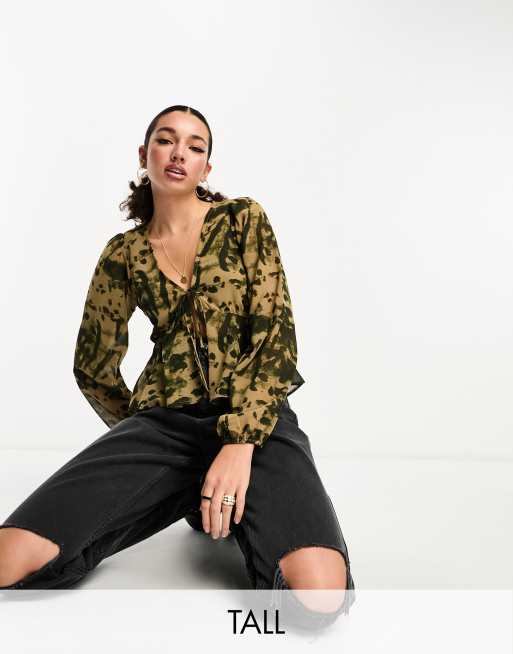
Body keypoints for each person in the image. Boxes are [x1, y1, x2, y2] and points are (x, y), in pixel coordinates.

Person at [0, 105, 355, 630]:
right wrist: (138, 439)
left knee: (317, 597)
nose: (179, 153)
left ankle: (242, 500)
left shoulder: (243, 220)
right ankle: (191, 489)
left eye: (195, 145)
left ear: (206, 166)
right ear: (145, 155)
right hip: (164, 423)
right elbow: (93, 365)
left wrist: (238, 443)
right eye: (166, 140)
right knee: (10, 558)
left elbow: (275, 336)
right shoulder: (123, 254)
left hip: (257, 422)